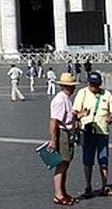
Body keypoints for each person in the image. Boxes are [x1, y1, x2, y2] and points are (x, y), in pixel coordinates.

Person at [74, 71, 112, 198]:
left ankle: (104, 186)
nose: (93, 87)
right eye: (91, 84)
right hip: (87, 132)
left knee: (103, 160)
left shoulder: (107, 94)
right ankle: (88, 186)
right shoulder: (82, 93)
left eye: (96, 84)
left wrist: (111, 118)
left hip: (102, 132)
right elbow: (75, 112)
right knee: (88, 161)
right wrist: (82, 114)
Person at [48, 72, 79, 205]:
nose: (74, 88)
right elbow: (53, 121)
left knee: (65, 164)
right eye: (73, 86)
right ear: (68, 87)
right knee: (61, 164)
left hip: (67, 132)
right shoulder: (60, 100)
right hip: (62, 134)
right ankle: (58, 195)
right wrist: (53, 140)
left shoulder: (66, 98)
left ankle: (63, 192)